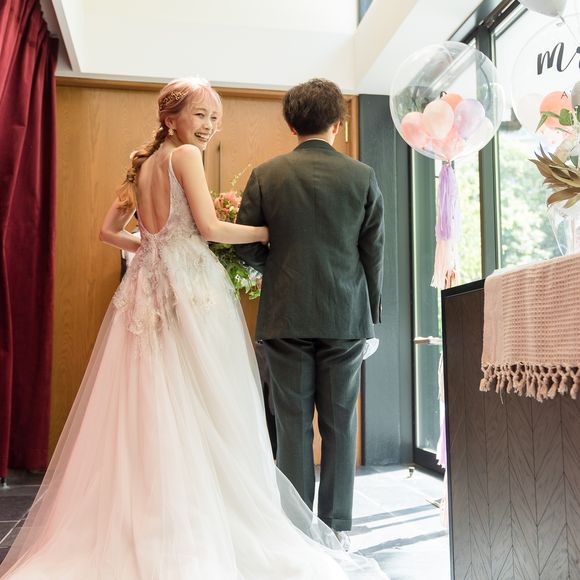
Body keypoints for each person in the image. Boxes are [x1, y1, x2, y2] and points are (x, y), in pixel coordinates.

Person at [0, 77, 387, 579]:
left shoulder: (151, 165)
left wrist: (155, 249)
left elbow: (109, 232)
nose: (208, 126)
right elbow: (214, 229)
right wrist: (278, 236)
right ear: (171, 118)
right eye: (201, 115)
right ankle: (325, 525)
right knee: (236, 404)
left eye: (213, 118)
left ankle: (207, 515)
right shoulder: (192, 157)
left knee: (167, 400)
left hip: (167, 288)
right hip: (255, 297)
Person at [235, 78, 385, 547]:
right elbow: (372, 251)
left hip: (285, 315)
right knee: (340, 425)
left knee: (292, 426)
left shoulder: (266, 174)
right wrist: (371, 314)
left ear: (291, 124)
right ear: (338, 123)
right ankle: (336, 529)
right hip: (345, 316)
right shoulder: (362, 176)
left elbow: (244, 244)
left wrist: (279, 269)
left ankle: (297, 530)